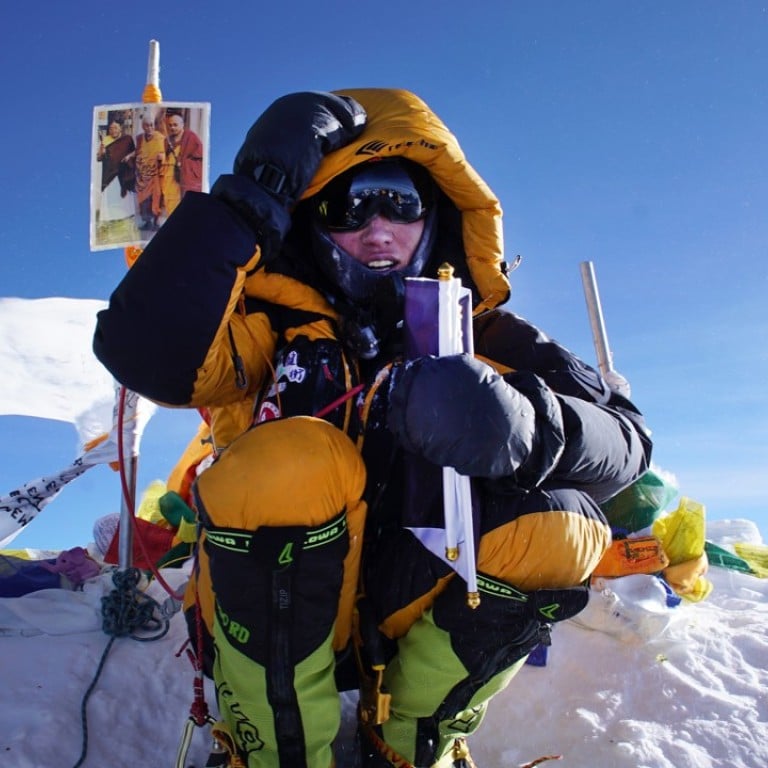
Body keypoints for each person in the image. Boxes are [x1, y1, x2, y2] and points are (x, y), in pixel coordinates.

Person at [93, 89, 652, 768]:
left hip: (416, 600)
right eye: (347, 206)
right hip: (274, 605)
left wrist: (528, 427)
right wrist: (247, 202)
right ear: (309, 220)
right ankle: (273, 753)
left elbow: (629, 443)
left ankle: (412, 741)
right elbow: (144, 352)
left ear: (437, 213)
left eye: (401, 201)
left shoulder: (489, 336)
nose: (378, 229)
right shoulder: (265, 326)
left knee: (560, 524)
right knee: (290, 462)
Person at [95, 115, 136, 237]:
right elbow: (99, 158)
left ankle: (126, 217)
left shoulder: (127, 139)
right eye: (111, 128)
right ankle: (108, 220)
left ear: (120, 128)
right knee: (110, 196)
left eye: (116, 128)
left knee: (123, 197)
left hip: (123, 173)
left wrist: (129, 156)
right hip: (109, 174)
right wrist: (102, 152)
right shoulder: (105, 141)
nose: (113, 130)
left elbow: (135, 152)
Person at [161, 109, 204, 218]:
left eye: (175, 125)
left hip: (184, 177)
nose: (172, 128)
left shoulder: (190, 137)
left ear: (182, 124)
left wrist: (184, 163)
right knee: (171, 206)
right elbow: (165, 158)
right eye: (170, 125)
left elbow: (200, 157)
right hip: (170, 179)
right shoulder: (167, 140)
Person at [130, 111, 166, 231]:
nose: (150, 127)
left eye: (151, 125)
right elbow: (138, 151)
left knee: (156, 199)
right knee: (143, 201)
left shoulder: (160, 138)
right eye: (147, 125)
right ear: (143, 126)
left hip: (155, 175)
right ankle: (147, 222)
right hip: (142, 175)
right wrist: (130, 155)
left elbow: (166, 153)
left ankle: (156, 222)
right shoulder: (140, 138)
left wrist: (162, 157)